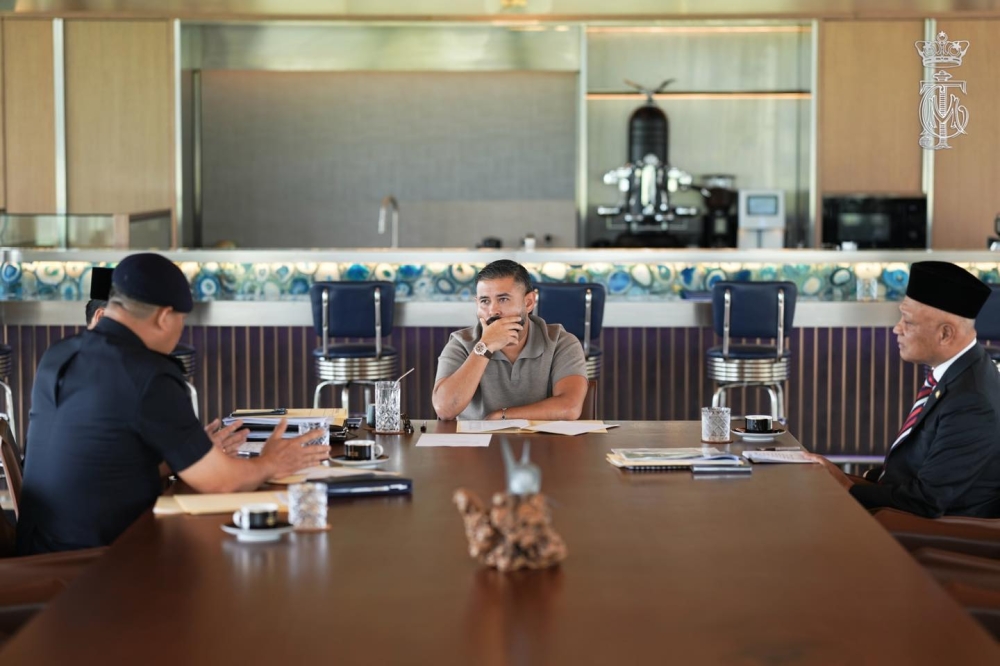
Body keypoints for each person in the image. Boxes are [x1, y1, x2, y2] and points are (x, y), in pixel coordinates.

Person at [17, 253, 331, 554]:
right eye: (182, 321)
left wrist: (188, 455)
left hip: (38, 552)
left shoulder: (58, 354)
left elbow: (100, 461)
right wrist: (271, 462)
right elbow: (220, 483)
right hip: (96, 564)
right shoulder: (147, 373)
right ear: (165, 316)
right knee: (235, 555)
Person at [808, 261, 1000, 518]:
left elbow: (926, 501)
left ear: (945, 334)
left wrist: (848, 489)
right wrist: (842, 479)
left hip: (932, 530)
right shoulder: (960, 370)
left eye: (908, 322)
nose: (896, 328)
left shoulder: (972, 401)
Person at [432, 259, 588, 421]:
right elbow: (444, 410)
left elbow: (569, 408)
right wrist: (485, 346)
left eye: (503, 299)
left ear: (528, 303)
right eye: (485, 301)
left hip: (541, 438)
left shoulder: (561, 342)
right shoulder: (461, 343)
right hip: (475, 438)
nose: (493, 311)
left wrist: (502, 416)